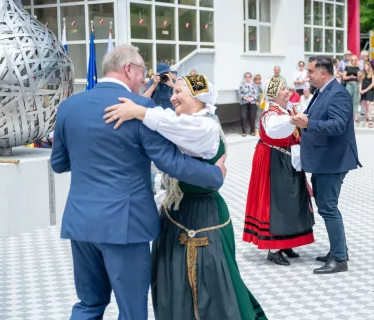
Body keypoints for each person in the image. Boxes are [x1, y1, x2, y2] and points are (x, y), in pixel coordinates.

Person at [50, 45, 226, 319]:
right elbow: (170, 162)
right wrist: (216, 175)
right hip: (125, 226)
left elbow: (58, 163)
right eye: (142, 70)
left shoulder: (69, 107)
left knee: (89, 304)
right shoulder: (139, 107)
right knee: (132, 310)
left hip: (81, 222)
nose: (145, 78)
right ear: (128, 69)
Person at [103, 74, 267, 320]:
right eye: (174, 91)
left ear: (199, 98)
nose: (173, 97)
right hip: (177, 213)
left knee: (211, 285)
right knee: (174, 283)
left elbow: (173, 127)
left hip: (203, 216)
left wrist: (139, 111)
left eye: (179, 92)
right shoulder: (187, 121)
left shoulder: (204, 126)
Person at [291, 56, 361, 274]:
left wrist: (308, 123)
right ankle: (339, 249)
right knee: (326, 206)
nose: (307, 75)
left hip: (333, 160)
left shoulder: (338, 93)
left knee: (328, 207)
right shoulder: (323, 92)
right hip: (323, 160)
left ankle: (340, 259)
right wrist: (304, 118)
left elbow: (338, 125)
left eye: (311, 71)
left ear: (323, 73)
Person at [243, 77, 315, 267]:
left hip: (289, 160)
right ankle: (273, 249)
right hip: (273, 160)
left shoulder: (289, 109)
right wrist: (291, 120)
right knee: (277, 202)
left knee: (290, 202)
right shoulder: (270, 113)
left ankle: (286, 242)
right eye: (283, 89)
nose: (287, 90)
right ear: (274, 94)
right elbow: (275, 129)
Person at [238, 72, 259, 137]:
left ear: (250, 77)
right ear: (245, 77)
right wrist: (245, 98)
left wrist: (252, 98)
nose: (248, 78)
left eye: (249, 77)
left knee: (252, 116)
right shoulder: (241, 85)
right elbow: (239, 93)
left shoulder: (254, 85)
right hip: (244, 101)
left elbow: (256, 93)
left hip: (252, 101)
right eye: (246, 77)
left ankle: (252, 131)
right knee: (243, 116)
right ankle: (244, 131)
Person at [343, 55, 361, 123]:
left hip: (356, 84)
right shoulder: (347, 67)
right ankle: (348, 116)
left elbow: (359, 79)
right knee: (348, 100)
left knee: (355, 101)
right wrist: (350, 76)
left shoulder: (357, 68)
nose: (354, 61)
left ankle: (355, 117)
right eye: (353, 59)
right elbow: (344, 77)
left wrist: (359, 76)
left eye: (355, 59)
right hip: (349, 84)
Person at [360, 61, 374, 127]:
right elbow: (360, 82)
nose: (365, 67)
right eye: (364, 66)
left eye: (366, 66)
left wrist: (366, 90)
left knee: (369, 103)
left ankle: (370, 118)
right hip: (363, 90)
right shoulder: (362, 74)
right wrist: (360, 89)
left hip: (369, 90)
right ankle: (366, 117)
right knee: (364, 103)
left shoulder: (372, 74)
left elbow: (373, 83)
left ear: (369, 66)